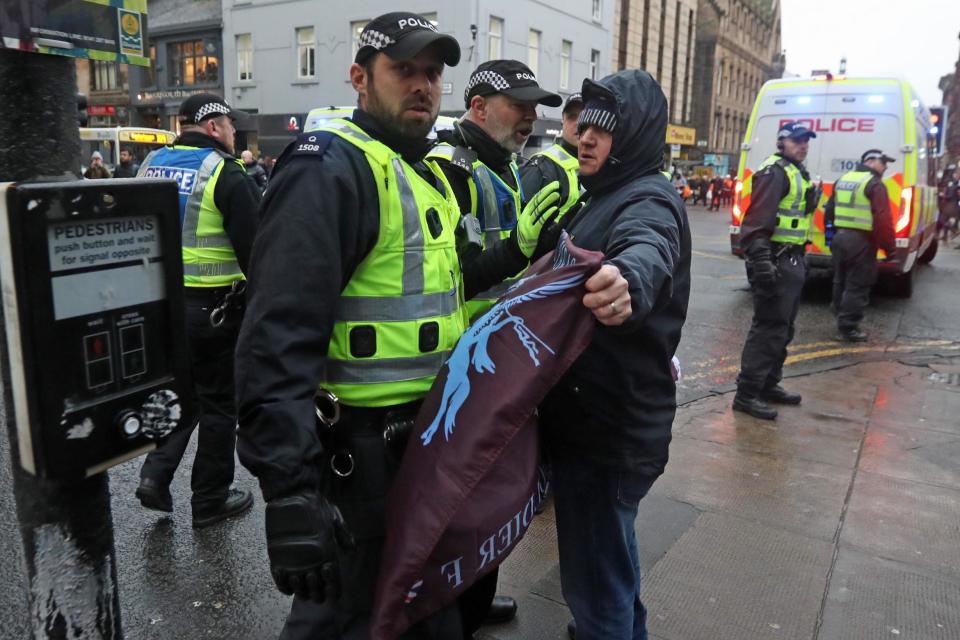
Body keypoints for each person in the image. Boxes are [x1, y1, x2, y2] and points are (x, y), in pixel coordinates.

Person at [232, 13, 579, 639]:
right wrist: (289, 493)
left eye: (432, 73)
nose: (422, 85)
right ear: (360, 78)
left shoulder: (418, 171)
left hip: (420, 443)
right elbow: (277, 337)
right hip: (357, 459)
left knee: (420, 616)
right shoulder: (330, 168)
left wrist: (514, 253)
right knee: (348, 618)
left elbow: (441, 292)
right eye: (403, 70)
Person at [538, 69, 691, 640]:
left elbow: (648, 245)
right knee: (612, 566)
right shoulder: (601, 195)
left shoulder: (648, 198)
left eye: (604, 129)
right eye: (584, 127)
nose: (586, 138)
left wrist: (627, 279)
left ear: (635, 138)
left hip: (607, 434)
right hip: (600, 425)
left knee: (596, 580)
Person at [135, 93, 261, 527]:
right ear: (212, 127)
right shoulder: (225, 173)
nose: (233, 132)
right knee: (220, 404)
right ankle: (209, 499)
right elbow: (256, 250)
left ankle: (155, 473)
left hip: (159, 308)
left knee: (181, 393)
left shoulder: (150, 164)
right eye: (229, 124)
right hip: (213, 312)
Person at [428, 58, 563, 321]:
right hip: (462, 345)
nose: (532, 116)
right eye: (519, 105)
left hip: (499, 337)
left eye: (533, 107)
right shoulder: (448, 168)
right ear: (480, 107)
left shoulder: (505, 163)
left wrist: (543, 246)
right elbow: (445, 281)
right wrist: (514, 251)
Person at [732, 121, 818, 420]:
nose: (803, 145)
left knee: (784, 327)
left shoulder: (795, 171)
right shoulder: (775, 172)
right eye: (797, 140)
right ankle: (747, 394)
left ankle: (769, 384)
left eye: (806, 140)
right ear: (782, 142)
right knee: (768, 329)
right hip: (776, 260)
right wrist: (762, 263)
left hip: (792, 259)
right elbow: (756, 223)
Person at [824, 149, 897, 341]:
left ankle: (840, 317)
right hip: (862, 241)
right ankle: (848, 328)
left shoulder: (844, 180)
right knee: (858, 285)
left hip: (841, 238)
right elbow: (883, 220)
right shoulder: (874, 184)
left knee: (840, 281)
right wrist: (890, 249)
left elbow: (829, 211)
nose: (886, 166)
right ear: (871, 161)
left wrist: (831, 239)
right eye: (883, 162)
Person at [520, 91, 583, 222]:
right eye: (572, 116)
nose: (578, 123)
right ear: (563, 122)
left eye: (584, 116)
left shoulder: (604, 165)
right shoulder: (542, 167)